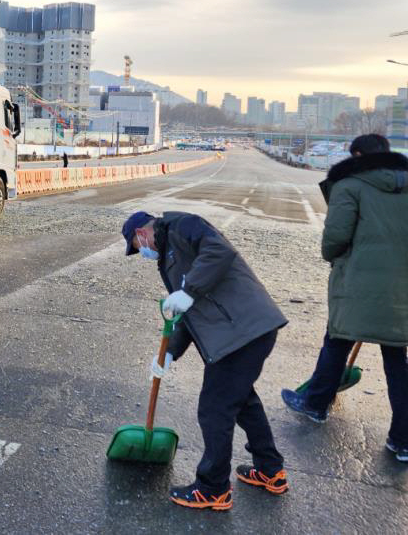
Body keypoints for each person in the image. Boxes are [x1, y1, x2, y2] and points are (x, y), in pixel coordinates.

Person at [122, 210, 288, 511]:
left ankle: (213, 488)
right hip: (242, 333)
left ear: (141, 233)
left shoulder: (182, 226)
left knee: (215, 408)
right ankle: (270, 470)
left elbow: (219, 252)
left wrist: (188, 291)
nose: (141, 252)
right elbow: (188, 315)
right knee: (243, 402)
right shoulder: (168, 258)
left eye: (137, 246)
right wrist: (170, 352)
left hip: (243, 331)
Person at [281, 134, 408, 462]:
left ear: (358, 154)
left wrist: (331, 254)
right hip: (401, 290)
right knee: (397, 360)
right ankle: (403, 440)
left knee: (336, 341)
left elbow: (335, 237)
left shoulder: (350, 185)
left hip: (358, 283)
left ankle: (315, 405)